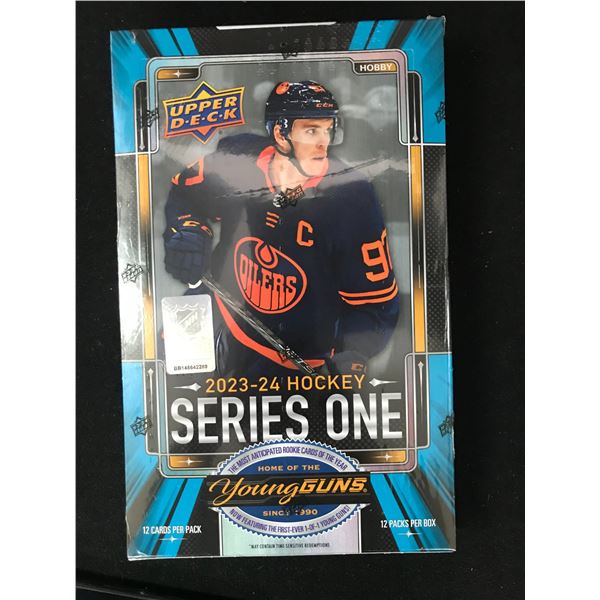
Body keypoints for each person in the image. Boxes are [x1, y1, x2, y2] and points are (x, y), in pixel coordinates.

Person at [163, 80, 399, 378]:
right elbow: (185, 193)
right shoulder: (237, 159)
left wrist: (353, 351)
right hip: (217, 315)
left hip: (293, 361)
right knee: (161, 385)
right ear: (280, 134)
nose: (323, 143)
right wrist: (189, 231)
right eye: (311, 131)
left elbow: (376, 303)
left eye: (328, 130)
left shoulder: (352, 197)